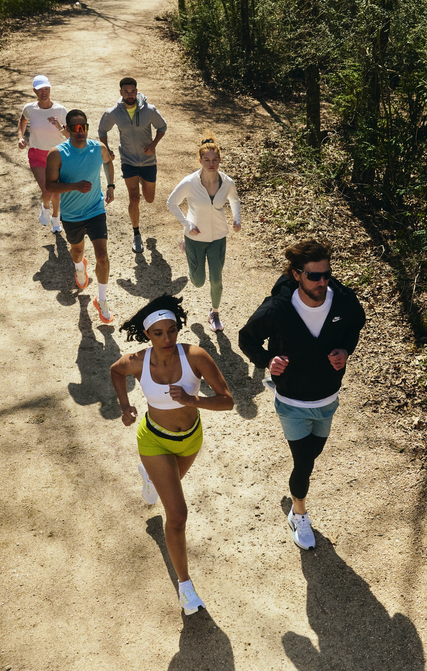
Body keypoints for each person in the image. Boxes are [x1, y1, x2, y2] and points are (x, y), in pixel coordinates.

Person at [238, 240, 366, 551]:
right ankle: (299, 514)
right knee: (304, 463)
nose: (322, 282)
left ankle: (297, 491)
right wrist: (268, 360)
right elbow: (247, 339)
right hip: (292, 401)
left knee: (312, 455)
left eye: (326, 275)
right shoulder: (278, 310)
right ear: (297, 275)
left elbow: (355, 326)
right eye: (314, 276)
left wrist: (346, 351)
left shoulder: (343, 301)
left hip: (327, 398)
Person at [110, 296, 234, 615]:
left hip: (189, 440)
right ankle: (186, 587)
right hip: (154, 441)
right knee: (177, 515)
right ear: (147, 335)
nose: (167, 339)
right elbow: (115, 371)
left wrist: (194, 400)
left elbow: (227, 401)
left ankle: (150, 480)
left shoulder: (195, 356)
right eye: (159, 333)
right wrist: (125, 406)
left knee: (168, 489)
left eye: (172, 330)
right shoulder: (137, 361)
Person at [45, 110, 118, 323]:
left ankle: (101, 300)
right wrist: (74, 186)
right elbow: (50, 185)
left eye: (83, 127)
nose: (80, 132)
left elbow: (108, 161)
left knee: (102, 255)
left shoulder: (98, 148)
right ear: (67, 129)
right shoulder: (57, 153)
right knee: (77, 250)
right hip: (72, 214)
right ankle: (79, 266)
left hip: (96, 209)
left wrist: (111, 185)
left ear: (87, 127)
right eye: (75, 128)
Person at [166, 131, 242, 332]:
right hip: (195, 237)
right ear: (200, 160)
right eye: (206, 160)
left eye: (215, 159)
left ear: (219, 160)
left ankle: (214, 313)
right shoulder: (190, 182)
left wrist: (237, 219)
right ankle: (185, 246)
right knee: (198, 282)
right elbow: (171, 202)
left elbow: (235, 200)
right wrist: (187, 224)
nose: (211, 164)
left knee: (216, 279)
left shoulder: (227, 183)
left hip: (218, 237)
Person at [97, 77, 168, 255]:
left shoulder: (149, 110)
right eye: (126, 91)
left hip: (148, 161)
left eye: (133, 91)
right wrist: (106, 149)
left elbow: (162, 127)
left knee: (149, 198)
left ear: (137, 91)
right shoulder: (113, 112)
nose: (130, 95)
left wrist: (153, 145)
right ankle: (136, 234)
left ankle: (144, 182)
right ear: (120, 92)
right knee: (134, 198)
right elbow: (102, 130)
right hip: (128, 160)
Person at [16, 75, 70, 230]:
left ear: (50, 89)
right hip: (37, 155)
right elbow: (22, 120)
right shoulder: (29, 108)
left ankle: (55, 219)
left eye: (46, 88)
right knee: (47, 191)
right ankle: (45, 206)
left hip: (57, 156)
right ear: (34, 91)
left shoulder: (60, 110)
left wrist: (58, 126)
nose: (44, 92)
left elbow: (70, 135)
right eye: (40, 89)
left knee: (56, 191)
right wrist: (20, 137)